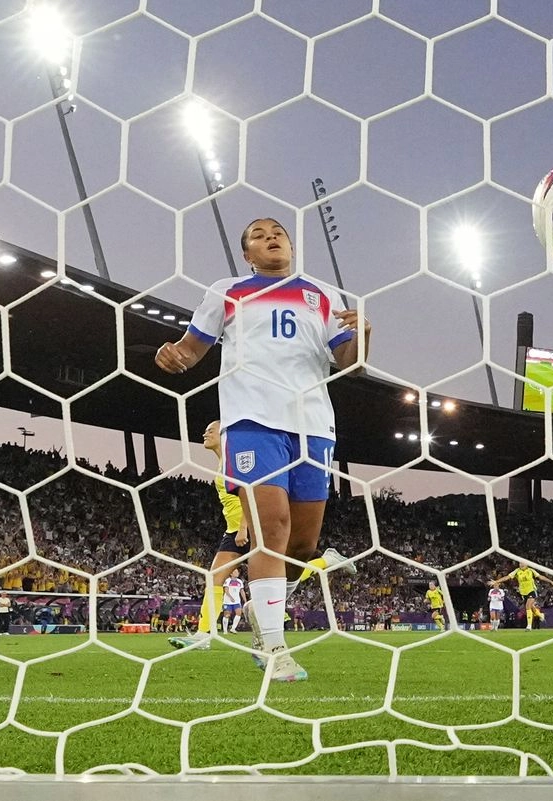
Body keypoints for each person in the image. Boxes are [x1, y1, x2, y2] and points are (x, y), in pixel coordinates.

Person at [156, 218, 370, 682]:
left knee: (302, 546)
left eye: (279, 232)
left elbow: (349, 364)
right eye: (258, 234)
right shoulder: (228, 291)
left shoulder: (324, 295)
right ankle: (275, 648)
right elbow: (190, 350)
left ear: (291, 246)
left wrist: (365, 335)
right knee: (272, 528)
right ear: (248, 254)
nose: (272, 237)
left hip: (314, 426)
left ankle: (261, 609)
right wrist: (171, 355)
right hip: (252, 422)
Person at [167, 419, 355, 652]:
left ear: (224, 434)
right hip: (233, 530)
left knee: (280, 574)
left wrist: (245, 527)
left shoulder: (234, 459)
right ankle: (203, 635)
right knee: (214, 577)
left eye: (210, 430)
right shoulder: (221, 463)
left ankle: (326, 561)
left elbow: (249, 492)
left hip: (250, 528)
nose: (205, 434)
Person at [491, 562, 553, 631]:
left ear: (527, 564)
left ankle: (529, 626)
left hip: (531, 590)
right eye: (520, 563)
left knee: (528, 606)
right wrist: (497, 581)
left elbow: (540, 577)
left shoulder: (531, 570)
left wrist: (551, 581)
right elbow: (507, 577)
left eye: (523, 563)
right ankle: (540, 615)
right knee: (531, 607)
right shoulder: (517, 571)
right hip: (523, 593)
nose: (521, 565)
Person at [222, 567, 246, 634]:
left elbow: (242, 591)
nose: (237, 573)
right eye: (235, 572)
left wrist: (245, 600)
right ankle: (225, 631)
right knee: (227, 615)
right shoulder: (228, 580)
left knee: (239, 613)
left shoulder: (240, 581)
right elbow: (226, 590)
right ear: (231, 574)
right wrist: (230, 597)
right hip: (228, 601)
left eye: (237, 572)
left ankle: (233, 628)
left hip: (237, 601)